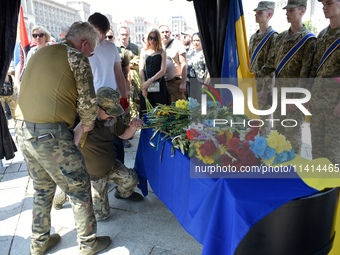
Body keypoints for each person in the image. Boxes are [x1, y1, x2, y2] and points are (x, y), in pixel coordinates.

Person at [14, 21, 111, 255]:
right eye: (92, 50)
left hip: (22, 129)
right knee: (78, 186)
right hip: (50, 135)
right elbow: (87, 104)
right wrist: (87, 125)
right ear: (84, 43)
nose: (91, 55)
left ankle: (38, 243)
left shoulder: (39, 53)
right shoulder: (77, 57)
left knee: (42, 188)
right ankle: (88, 243)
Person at [53, 87, 144, 220]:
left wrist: (133, 127)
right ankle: (68, 191)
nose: (112, 116)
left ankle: (120, 194)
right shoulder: (78, 118)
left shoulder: (112, 119)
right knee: (101, 215)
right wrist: (82, 128)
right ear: (96, 107)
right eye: (109, 112)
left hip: (111, 167)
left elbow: (124, 134)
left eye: (114, 112)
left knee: (132, 180)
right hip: (91, 176)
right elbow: (68, 149)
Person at [256, 0, 316, 154]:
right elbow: (271, 64)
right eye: (286, 10)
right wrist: (252, 75)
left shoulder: (308, 40)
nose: (287, 13)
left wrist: (296, 99)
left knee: (292, 139)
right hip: (278, 97)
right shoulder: (281, 37)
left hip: (294, 98)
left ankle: (292, 174)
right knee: (278, 137)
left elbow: (306, 74)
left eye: (291, 10)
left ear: (302, 12)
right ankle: (280, 173)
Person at [87, 12, 128, 163]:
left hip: (111, 102)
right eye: (98, 32)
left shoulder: (111, 47)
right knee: (93, 141)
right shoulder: (81, 49)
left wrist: (124, 99)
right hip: (91, 103)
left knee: (116, 139)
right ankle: (100, 174)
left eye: (104, 33)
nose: (101, 37)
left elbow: (119, 73)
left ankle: (120, 171)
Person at [309, 0, 340, 164]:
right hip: (318, 102)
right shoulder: (322, 35)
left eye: (329, 3)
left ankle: (335, 189)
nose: (324, 7)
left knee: (333, 153)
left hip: (335, 105)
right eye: (322, 4)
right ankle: (321, 189)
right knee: (318, 152)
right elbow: (315, 68)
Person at [249, 1, 277, 135]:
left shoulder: (274, 37)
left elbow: (272, 65)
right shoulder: (253, 37)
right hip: (251, 84)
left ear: (269, 14)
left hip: (263, 87)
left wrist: (266, 89)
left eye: (260, 13)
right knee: (251, 121)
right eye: (256, 12)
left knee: (263, 122)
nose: (256, 15)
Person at [117, 26, 142, 147]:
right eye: (121, 34)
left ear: (129, 34)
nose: (124, 36)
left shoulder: (136, 48)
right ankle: (124, 135)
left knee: (134, 105)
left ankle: (131, 130)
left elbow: (141, 65)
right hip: (119, 86)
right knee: (123, 109)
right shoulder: (115, 49)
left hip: (133, 82)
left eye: (126, 34)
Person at [139, 29, 169, 117]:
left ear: (158, 39)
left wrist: (150, 81)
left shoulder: (162, 52)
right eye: (150, 38)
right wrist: (144, 86)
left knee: (160, 113)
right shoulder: (143, 51)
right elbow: (141, 69)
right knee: (146, 113)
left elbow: (163, 70)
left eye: (154, 38)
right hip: (146, 86)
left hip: (159, 86)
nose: (152, 40)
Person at [159, 25, 187, 102]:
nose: (165, 34)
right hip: (162, 83)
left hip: (175, 83)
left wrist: (183, 83)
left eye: (167, 32)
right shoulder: (157, 46)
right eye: (162, 32)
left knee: (180, 108)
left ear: (170, 33)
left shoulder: (178, 44)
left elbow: (183, 63)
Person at [186, 32, 210, 101]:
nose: (195, 43)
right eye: (194, 40)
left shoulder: (205, 53)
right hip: (190, 83)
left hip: (201, 83)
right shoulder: (189, 52)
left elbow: (209, 71)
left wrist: (206, 84)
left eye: (197, 40)